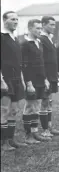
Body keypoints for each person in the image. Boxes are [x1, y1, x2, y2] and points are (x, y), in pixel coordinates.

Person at [21, 19, 52, 143]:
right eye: (37, 28)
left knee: (37, 107)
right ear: (29, 29)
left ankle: (35, 132)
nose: (40, 30)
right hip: (31, 81)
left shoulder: (39, 43)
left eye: (40, 28)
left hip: (40, 80)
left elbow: (41, 64)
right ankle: (27, 135)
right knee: (29, 106)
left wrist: (45, 79)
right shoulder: (24, 45)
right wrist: (28, 83)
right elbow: (24, 65)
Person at [1, 11, 28, 150]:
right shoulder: (2, 37)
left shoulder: (15, 38)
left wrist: (22, 80)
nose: (16, 22)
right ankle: (3, 142)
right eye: (12, 19)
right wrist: (1, 80)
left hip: (17, 79)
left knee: (14, 110)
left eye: (17, 19)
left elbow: (19, 63)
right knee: (4, 110)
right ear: (4, 20)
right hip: (5, 78)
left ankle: (11, 140)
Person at [39, 16, 59, 137]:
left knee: (49, 102)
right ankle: (44, 130)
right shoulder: (41, 39)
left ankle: (49, 127)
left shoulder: (49, 38)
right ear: (43, 24)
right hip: (45, 76)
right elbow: (41, 59)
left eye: (54, 25)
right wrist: (44, 78)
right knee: (44, 102)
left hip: (52, 75)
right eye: (51, 25)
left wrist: (56, 73)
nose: (53, 27)